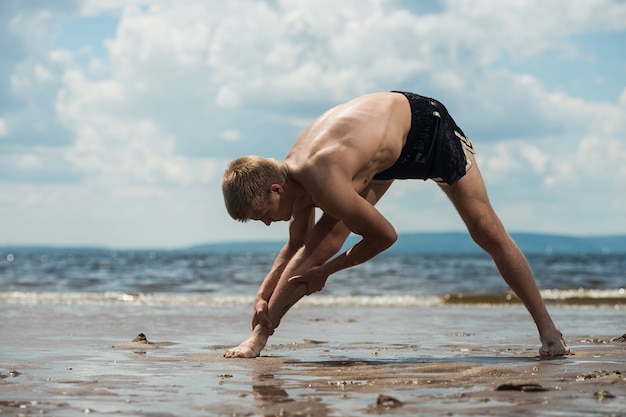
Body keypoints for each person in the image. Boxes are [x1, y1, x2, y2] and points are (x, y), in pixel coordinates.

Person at [221, 91, 569, 359]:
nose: (267, 223)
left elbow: (385, 236)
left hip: (427, 129)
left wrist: (328, 270)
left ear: (275, 189)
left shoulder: (321, 179)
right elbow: (295, 247)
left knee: (486, 231)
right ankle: (258, 340)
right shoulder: (293, 181)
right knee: (318, 245)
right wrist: (262, 294)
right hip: (381, 154)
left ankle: (550, 333)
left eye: (263, 214)